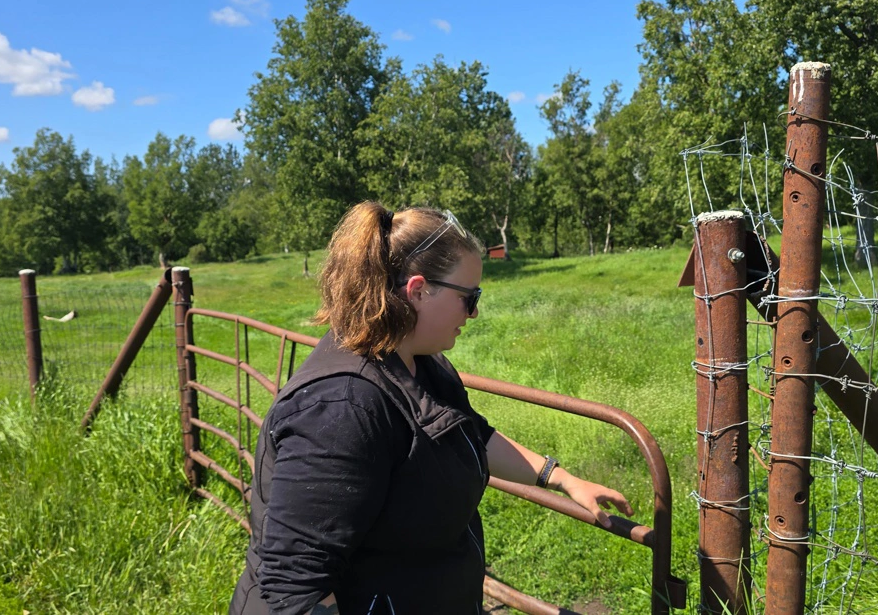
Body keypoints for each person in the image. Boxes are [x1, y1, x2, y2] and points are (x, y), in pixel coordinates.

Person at [230, 202, 633, 615]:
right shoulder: (342, 407)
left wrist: (560, 477)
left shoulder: (418, 361)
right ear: (419, 290)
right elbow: (294, 587)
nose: (474, 313)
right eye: (469, 297)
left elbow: (469, 434)